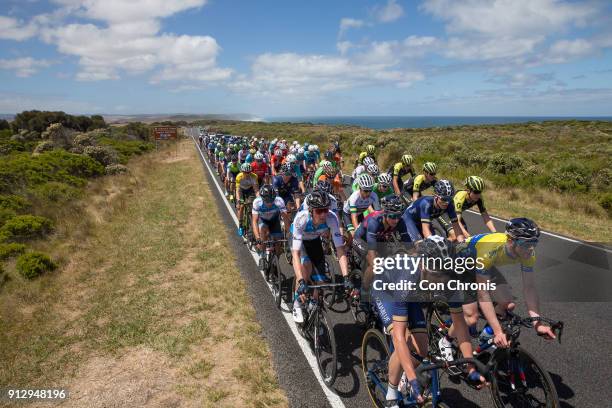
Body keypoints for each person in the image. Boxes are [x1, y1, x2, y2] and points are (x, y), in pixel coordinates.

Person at [450, 218, 557, 351]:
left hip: (481, 264)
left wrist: (538, 324)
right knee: (471, 317)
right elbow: (483, 294)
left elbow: (529, 288)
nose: (530, 248)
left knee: (508, 304)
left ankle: (486, 335)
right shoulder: (490, 250)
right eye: (525, 243)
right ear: (510, 240)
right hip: (459, 262)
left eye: (534, 243)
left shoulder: (528, 252)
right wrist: (498, 331)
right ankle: (446, 341)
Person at [291, 190, 352, 323]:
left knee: (321, 282)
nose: (323, 214)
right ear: (311, 211)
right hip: (302, 242)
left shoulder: (331, 218)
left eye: (326, 209)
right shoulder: (302, 219)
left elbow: (340, 250)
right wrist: (301, 280)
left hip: (314, 241)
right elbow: (295, 254)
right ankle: (296, 302)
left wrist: (346, 277)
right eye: (319, 211)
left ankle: (314, 307)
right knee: (305, 268)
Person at [440, 176, 496, 240]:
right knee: (457, 236)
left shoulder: (479, 199)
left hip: (454, 215)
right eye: (476, 192)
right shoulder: (460, 197)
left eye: (480, 192)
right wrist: (467, 235)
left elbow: (486, 217)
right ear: (468, 190)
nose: (478, 195)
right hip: (443, 212)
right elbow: (457, 221)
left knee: (464, 238)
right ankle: (439, 247)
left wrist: (495, 232)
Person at [252, 185, 289, 275]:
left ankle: (275, 262)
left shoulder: (279, 201)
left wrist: (289, 234)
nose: (269, 203)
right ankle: (263, 256)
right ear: (262, 198)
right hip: (263, 220)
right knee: (263, 233)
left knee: (278, 244)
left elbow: (285, 218)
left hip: (274, 220)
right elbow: (254, 221)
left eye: (271, 200)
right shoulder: (257, 202)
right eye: (267, 201)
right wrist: (257, 238)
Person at [236, 163, 259, 236]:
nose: (247, 174)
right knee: (241, 206)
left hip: (250, 190)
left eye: (249, 172)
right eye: (245, 172)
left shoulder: (254, 176)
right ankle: (240, 225)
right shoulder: (239, 177)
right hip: (241, 190)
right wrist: (239, 200)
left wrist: (258, 198)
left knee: (252, 204)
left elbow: (256, 190)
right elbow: (238, 190)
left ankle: (252, 222)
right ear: (242, 172)